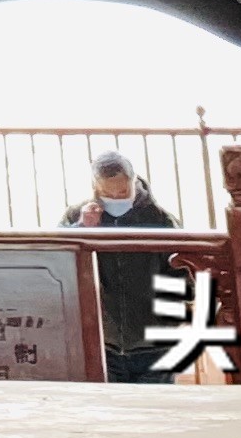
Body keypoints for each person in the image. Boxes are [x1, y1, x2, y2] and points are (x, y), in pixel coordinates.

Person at [68, 150, 184, 383]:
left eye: (122, 192)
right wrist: (82, 228)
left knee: (157, 411)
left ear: (134, 181)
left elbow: (181, 273)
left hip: (155, 342)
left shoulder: (160, 219)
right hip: (103, 342)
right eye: (106, 193)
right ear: (95, 187)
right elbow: (59, 259)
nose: (115, 198)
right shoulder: (78, 215)